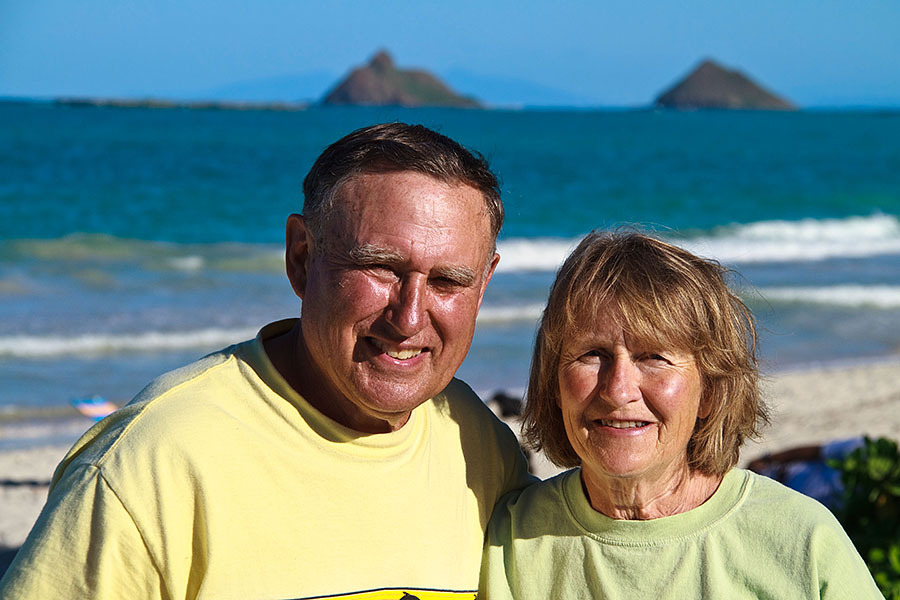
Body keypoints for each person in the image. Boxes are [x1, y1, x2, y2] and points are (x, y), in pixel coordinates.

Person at [0, 123, 533, 599]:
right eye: (380, 268)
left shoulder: (479, 447)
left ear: (484, 285)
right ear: (301, 258)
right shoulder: (149, 463)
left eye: (447, 282)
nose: (410, 317)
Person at [479, 231, 881, 599]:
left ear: (710, 389)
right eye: (591, 355)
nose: (619, 390)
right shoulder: (508, 543)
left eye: (653, 357)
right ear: (553, 383)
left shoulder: (802, 541)